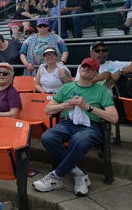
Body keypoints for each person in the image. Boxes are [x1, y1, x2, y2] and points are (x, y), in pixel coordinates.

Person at [33, 57, 118, 196]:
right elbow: (48, 109)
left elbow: (114, 117)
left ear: (95, 73)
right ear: (79, 69)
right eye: (84, 66)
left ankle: (56, 176)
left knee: (79, 140)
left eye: (90, 68)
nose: (86, 69)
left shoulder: (101, 90)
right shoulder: (67, 87)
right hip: (67, 122)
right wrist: (65, 105)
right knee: (47, 137)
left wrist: (88, 107)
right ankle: (79, 174)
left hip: (90, 125)